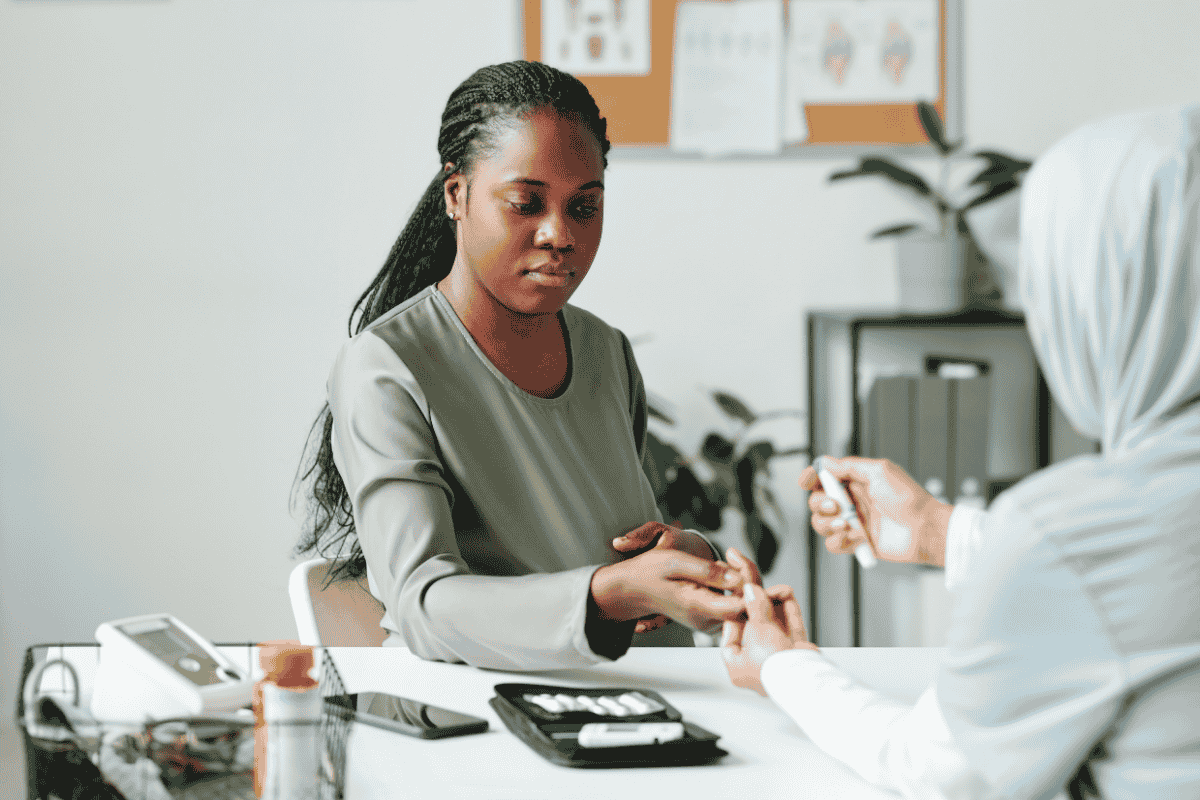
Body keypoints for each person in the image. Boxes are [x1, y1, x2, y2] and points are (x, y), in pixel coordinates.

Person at [721, 103, 1200, 799]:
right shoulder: (1090, 541)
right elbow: (1141, 596)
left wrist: (783, 665)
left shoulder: (1077, 529)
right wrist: (938, 531)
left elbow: (939, 771)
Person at [295, 61, 747, 671]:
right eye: (525, 203)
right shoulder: (385, 366)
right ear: (456, 195)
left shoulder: (606, 351)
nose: (559, 234)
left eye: (584, 206)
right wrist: (607, 596)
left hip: (659, 693)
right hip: (499, 708)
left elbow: (621, 540)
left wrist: (685, 551)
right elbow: (422, 604)